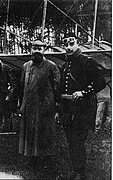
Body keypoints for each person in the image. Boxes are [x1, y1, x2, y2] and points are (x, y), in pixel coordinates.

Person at [55, 33, 106, 180]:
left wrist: (83, 92)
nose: (69, 47)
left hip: (83, 110)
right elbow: (61, 91)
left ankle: (80, 173)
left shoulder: (87, 62)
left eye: (72, 43)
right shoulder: (65, 66)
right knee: (71, 140)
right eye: (66, 44)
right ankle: (76, 170)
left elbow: (100, 83)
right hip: (68, 110)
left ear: (78, 44)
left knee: (77, 140)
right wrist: (58, 110)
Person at [18, 40, 60, 172]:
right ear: (31, 49)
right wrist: (21, 104)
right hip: (29, 107)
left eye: (39, 49)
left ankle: (47, 163)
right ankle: (33, 160)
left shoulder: (51, 66)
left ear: (44, 50)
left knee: (45, 136)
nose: (37, 51)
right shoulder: (26, 66)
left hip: (45, 109)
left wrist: (57, 109)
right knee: (30, 134)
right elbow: (21, 86)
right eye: (34, 48)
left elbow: (57, 88)